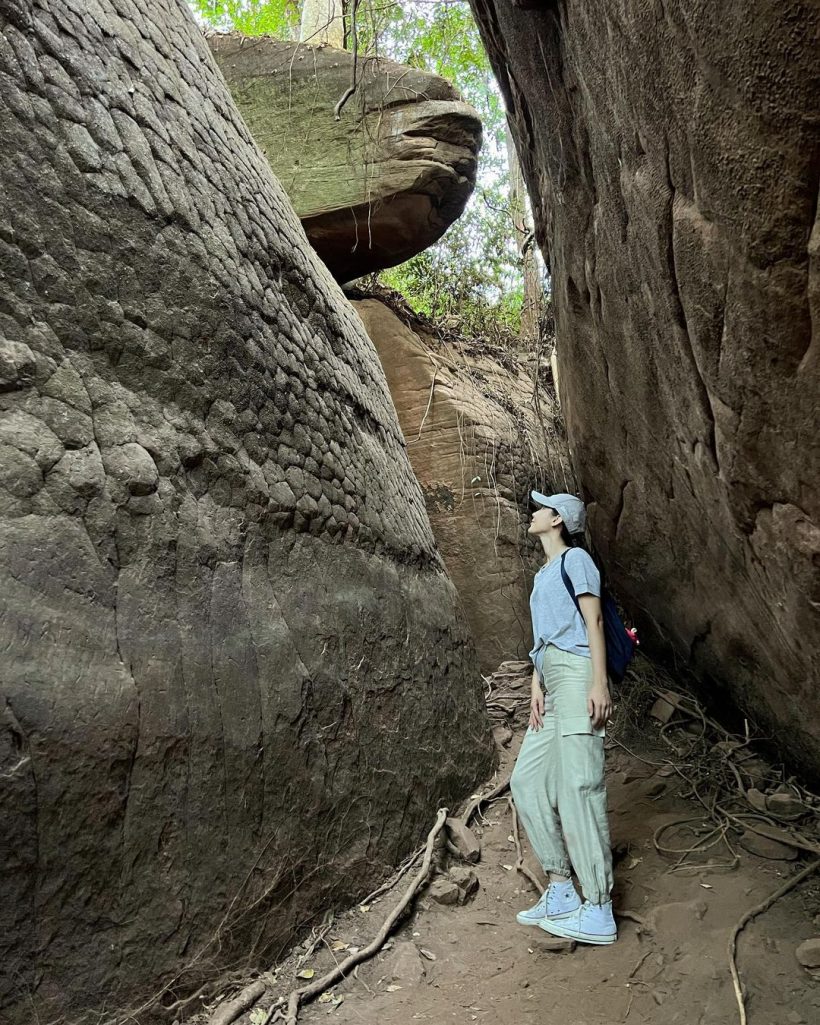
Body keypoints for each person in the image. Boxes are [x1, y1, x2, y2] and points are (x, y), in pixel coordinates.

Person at [510, 491, 616, 945]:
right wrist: (536, 685)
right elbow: (543, 639)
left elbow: (592, 623)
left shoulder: (577, 561)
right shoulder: (542, 573)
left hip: (578, 675)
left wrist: (600, 683)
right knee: (526, 781)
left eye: (540, 508)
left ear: (556, 519)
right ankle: (561, 889)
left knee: (578, 785)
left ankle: (598, 907)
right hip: (552, 683)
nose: (532, 513)